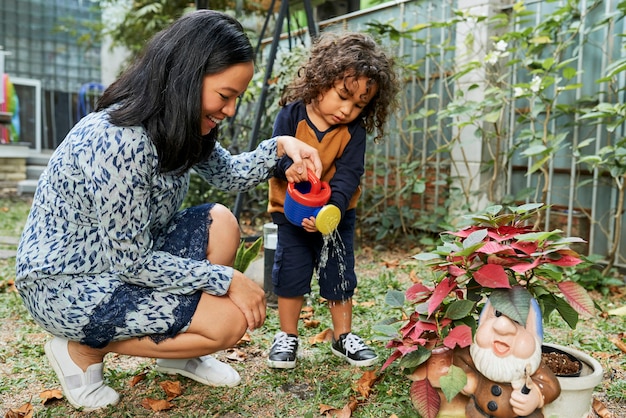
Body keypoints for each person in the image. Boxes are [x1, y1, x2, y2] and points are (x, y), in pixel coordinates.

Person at [14, 10, 322, 411]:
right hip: (66, 283)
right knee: (227, 323)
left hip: (118, 263)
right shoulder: (121, 142)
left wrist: (282, 147)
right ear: (187, 77)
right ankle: (81, 352)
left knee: (221, 222)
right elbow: (131, 262)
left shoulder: (179, 125)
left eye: (236, 99)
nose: (229, 110)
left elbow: (228, 174)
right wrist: (226, 278)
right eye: (224, 96)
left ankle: (176, 355)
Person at [265, 31, 400, 369]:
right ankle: (287, 336)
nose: (347, 109)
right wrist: (287, 168)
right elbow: (273, 154)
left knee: (338, 274)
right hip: (291, 214)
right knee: (292, 273)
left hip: (336, 216)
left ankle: (343, 337)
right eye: (343, 95)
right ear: (320, 80)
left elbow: (349, 174)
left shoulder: (353, 132)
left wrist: (333, 211)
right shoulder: (292, 115)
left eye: (359, 105)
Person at [454, 294, 561, 417]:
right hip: (478, 413)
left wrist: (535, 397)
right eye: (497, 314)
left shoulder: (531, 366)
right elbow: (460, 358)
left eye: (518, 320)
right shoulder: (475, 356)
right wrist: (468, 377)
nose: (502, 327)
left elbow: (551, 386)